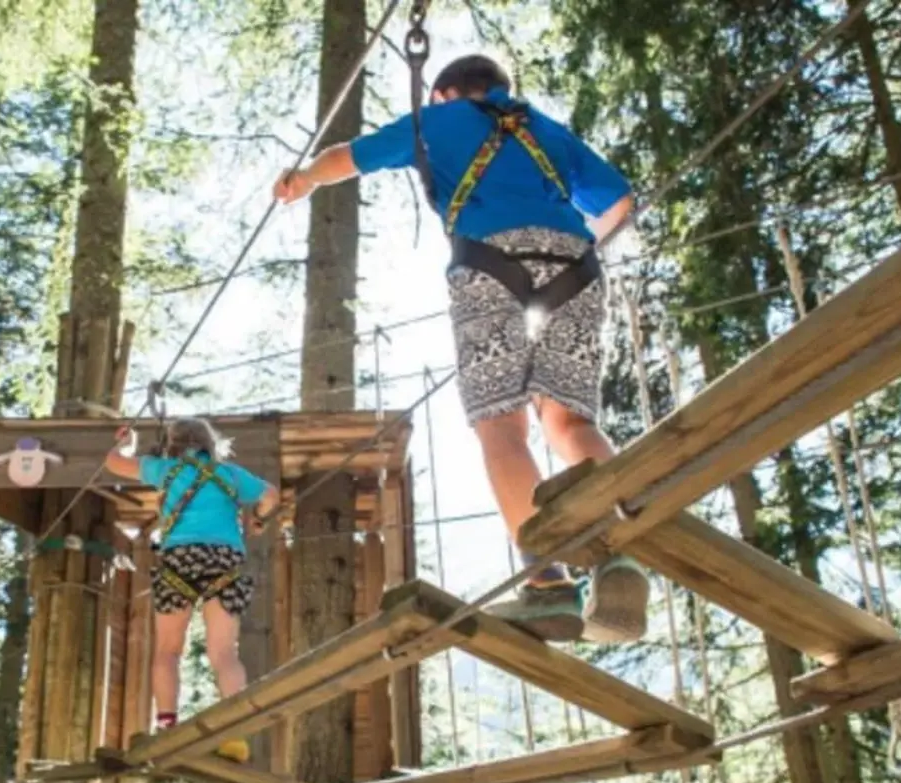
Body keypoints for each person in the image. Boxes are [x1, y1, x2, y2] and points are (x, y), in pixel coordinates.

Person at [272, 54, 649, 643]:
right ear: (500, 89)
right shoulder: (543, 129)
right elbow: (620, 202)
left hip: (488, 262)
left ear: (446, 92)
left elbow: (347, 157)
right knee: (571, 421)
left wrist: (302, 180)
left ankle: (547, 583)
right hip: (575, 263)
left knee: (502, 426)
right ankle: (619, 556)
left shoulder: (437, 122)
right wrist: (573, 245)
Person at [105, 417, 278, 762]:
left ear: (175, 443)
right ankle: (234, 733)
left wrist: (124, 443)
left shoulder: (164, 470)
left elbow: (112, 463)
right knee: (224, 653)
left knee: (168, 650)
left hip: (178, 560)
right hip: (224, 561)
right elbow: (271, 495)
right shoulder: (230, 475)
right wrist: (259, 517)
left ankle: (167, 726)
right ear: (208, 443)